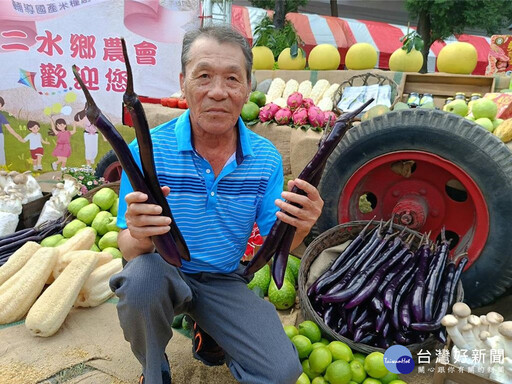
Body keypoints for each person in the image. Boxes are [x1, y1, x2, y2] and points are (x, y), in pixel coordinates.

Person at [110, 25, 324, 384]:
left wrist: (302, 224)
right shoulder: (148, 151)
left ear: (248, 87)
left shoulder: (265, 159)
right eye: (204, 76)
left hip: (224, 278)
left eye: (232, 79)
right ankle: (154, 369)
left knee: (282, 371)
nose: (218, 92)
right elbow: (128, 248)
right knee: (139, 281)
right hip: (163, 270)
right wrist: (139, 232)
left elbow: (281, 244)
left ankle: (210, 328)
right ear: (183, 82)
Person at [0, 96, 23, 166]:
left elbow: (9, 127)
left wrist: (17, 136)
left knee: (1, 151)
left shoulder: (1, 116)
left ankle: (2, 166)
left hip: (0, 135)